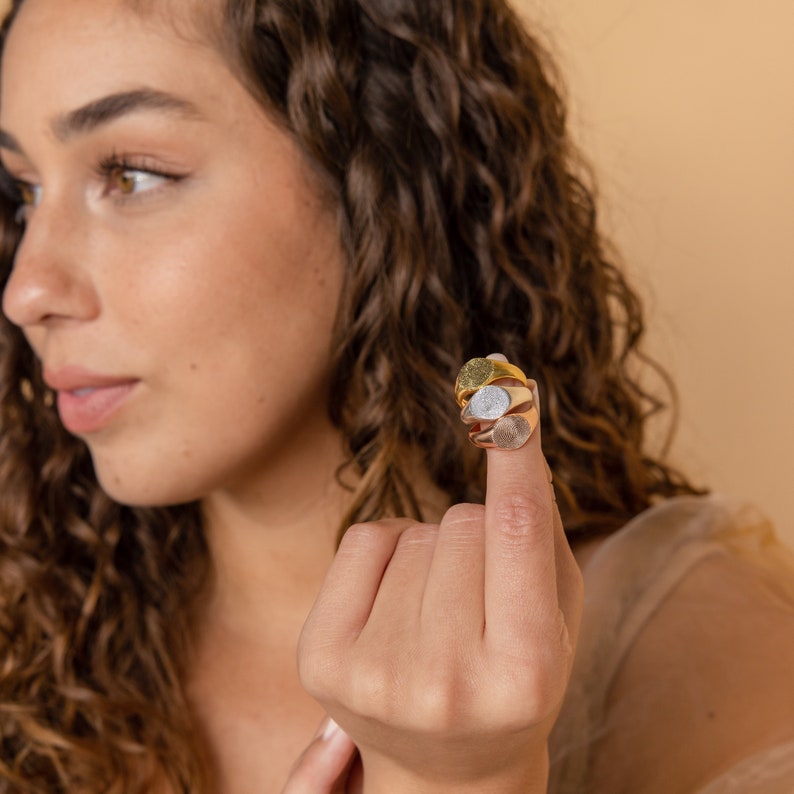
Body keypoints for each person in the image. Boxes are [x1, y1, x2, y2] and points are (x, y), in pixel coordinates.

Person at [0, 0, 792, 792]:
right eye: (24, 191)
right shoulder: (28, 634)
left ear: (379, 176)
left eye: (132, 174)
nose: (28, 289)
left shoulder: (708, 670)